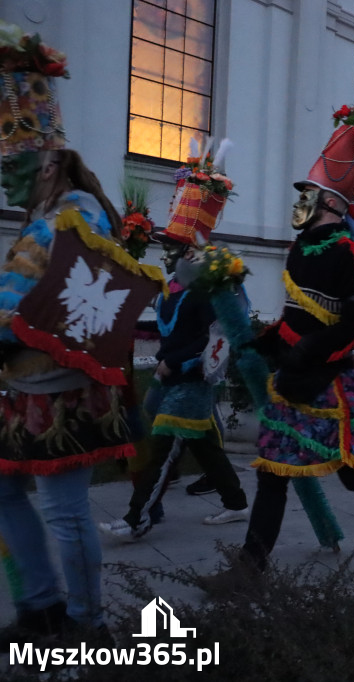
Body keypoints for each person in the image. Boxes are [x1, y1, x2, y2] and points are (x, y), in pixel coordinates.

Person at [199, 101, 354, 591]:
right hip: (295, 376)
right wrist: (269, 341)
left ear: (332, 204)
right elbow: (301, 311)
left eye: (311, 194)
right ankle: (251, 566)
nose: (302, 201)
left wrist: (307, 352)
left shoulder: (345, 250)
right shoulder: (302, 247)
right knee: (273, 473)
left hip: (329, 382)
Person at [0, 29, 155, 638]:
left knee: (65, 513)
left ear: (39, 161)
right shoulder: (49, 213)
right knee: (8, 494)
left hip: (62, 385)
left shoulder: (72, 218)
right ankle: (41, 605)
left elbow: (32, 304)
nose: (1, 180)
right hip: (25, 382)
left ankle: (87, 627)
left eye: (7, 167)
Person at [99, 148, 249, 540]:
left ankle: (139, 518)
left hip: (190, 384)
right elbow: (168, 329)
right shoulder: (173, 287)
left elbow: (216, 341)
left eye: (169, 246)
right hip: (172, 382)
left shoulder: (206, 288)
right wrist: (123, 327)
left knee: (164, 449)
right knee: (204, 445)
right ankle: (235, 502)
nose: (161, 251)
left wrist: (177, 364)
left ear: (188, 252)